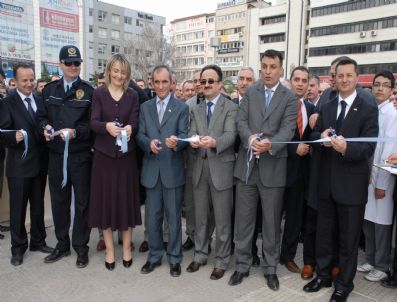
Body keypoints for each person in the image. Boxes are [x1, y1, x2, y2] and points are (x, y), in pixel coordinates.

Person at [303, 58, 378, 302]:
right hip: (327, 184)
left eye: (348, 75)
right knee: (324, 235)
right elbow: (314, 135)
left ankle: (344, 284)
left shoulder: (367, 107)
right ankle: (323, 275)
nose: (344, 79)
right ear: (334, 78)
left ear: (357, 78)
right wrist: (321, 135)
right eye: (340, 75)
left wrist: (346, 148)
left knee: (348, 240)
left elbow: (368, 146)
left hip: (351, 187)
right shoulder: (328, 104)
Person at [230, 49, 297, 291]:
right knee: (244, 222)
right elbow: (241, 122)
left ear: (281, 69)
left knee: (271, 223)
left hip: (273, 167)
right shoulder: (251, 92)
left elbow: (288, 130)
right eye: (264, 66)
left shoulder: (290, 98)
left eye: (272, 67)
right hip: (247, 168)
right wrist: (250, 140)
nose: (267, 71)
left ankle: (270, 269)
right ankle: (242, 265)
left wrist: (270, 145)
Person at [37, 45, 94, 268]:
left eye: (76, 63)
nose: (73, 67)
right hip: (56, 155)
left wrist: (76, 132)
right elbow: (40, 117)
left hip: (80, 156)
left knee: (82, 203)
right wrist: (45, 127)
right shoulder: (49, 90)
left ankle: (81, 247)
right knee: (59, 203)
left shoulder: (89, 92)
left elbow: (92, 125)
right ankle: (62, 244)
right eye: (68, 63)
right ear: (60, 64)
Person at [88, 54, 142, 270]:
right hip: (104, 158)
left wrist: (131, 128)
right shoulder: (99, 93)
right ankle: (110, 251)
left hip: (126, 159)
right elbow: (93, 122)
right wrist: (106, 128)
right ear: (109, 70)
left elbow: (135, 122)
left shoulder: (132, 95)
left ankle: (127, 248)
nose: (120, 75)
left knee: (126, 204)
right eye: (116, 70)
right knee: (105, 205)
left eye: (123, 71)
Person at [136, 65, 189, 277]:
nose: (160, 86)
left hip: (172, 171)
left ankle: (175, 258)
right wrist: (148, 143)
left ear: (172, 83)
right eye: (156, 82)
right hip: (151, 171)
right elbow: (139, 135)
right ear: (151, 83)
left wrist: (176, 142)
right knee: (153, 218)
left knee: (174, 218)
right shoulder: (145, 107)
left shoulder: (181, 107)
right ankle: (155, 256)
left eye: (164, 82)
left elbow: (184, 136)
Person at [187, 65, 237, 280]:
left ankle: (222, 260)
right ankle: (200, 255)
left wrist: (215, 142)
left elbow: (231, 135)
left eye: (210, 81)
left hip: (221, 168)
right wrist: (193, 141)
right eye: (203, 81)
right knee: (200, 217)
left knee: (223, 218)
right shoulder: (196, 108)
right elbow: (191, 132)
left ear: (219, 84)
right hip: (199, 167)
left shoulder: (230, 107)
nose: (206, 85)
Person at [0, 63, 53, 266]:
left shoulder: (40, 100)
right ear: (15, 81)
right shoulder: (7, 102)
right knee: (18, 210)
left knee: (38, 207)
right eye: (24, 80)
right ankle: (18, 248)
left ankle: (38, 241)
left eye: (31, 79)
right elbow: (2, 134)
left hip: (40, 164)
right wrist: (15, 137)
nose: (29, 83)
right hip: (19, 166)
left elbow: (43, 123)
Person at [357, 71, 397, 282]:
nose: (380, 88)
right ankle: (371, 259)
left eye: (385, 85)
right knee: (368, 221)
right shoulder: (373, 110)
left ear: (392, 90)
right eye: (376, 84)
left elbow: (388, 149)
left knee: (381, 224)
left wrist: (381, 183)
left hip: (382, 178)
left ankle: (382, 265)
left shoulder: (392, 114)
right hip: (367, 176)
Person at [280, 66, 314, 274]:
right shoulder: (280, 106)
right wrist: (294, 148)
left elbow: (315, 135)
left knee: (294, 218)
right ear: (290, 81)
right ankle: (269, 253)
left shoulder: (311, 109)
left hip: (301, 174)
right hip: (279, 168)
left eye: (305, 80)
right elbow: (273, 136)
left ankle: (288, 256)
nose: (301, 84)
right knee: (272, 217)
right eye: (297, 79)